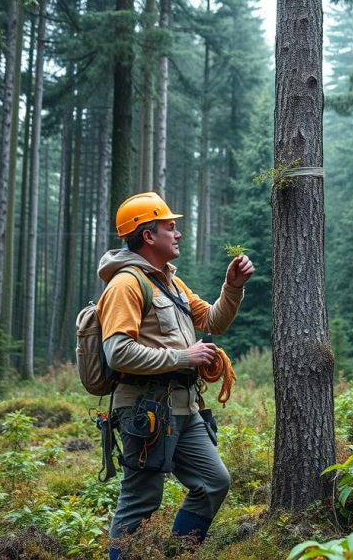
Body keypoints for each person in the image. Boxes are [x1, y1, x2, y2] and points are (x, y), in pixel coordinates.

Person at [96, 192, 254, 560]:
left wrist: (232, 287)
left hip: (184, 408)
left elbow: (213, 321)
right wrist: (185, 356)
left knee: (213, 482)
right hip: (145, 410)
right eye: (170, 226)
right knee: (141, 501)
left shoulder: (170, 283)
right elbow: (117, 352)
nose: (177, 232)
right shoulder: (126, 284)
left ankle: (177, 555)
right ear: (148, 235)